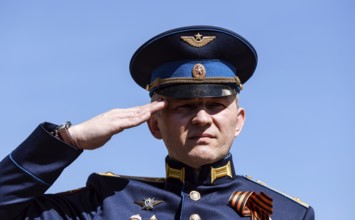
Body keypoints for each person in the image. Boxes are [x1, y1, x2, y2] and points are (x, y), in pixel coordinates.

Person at [0, 26, 314, 220]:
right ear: (154, 125)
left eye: (216, 105)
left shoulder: (283, 213)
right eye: (185, 106)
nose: (202, 118)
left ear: (239, 121)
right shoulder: (106, 202)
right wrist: (70, 139)